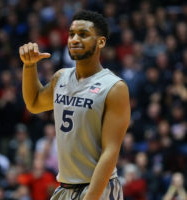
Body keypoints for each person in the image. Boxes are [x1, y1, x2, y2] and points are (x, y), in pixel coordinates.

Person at [19, 10, 130, 200]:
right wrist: (29, 66)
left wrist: (91, 197)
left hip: (98, 188)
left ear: (101, 42)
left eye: (83, 35)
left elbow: (110, 152)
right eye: (71, 34)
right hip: (64, 187)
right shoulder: (61, 77)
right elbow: (34, 103)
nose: (74, 39)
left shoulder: (114, 87)